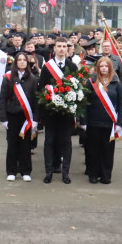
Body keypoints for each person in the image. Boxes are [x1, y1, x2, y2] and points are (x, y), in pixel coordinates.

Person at [80, 56, 122, 184]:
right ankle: (93, 174)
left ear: (110, 68)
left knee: (108, 151)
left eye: (106, 66)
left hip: (109, 124)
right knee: (93, 150)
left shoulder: (116, 83)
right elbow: (84, 103)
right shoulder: (91, 82)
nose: (104, 68)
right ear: (97, 68)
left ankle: (106, 175)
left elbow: (121, 103)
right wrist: (83, 121)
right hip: (93, 122)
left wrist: (120, 123)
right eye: (101, 66)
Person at [39, 40, 78, 184]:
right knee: (49, 141)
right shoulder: (47, 67)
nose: (62, 49)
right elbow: (42, 89)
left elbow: (76, 88)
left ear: (67, 49)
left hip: (66, 113)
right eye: (59, 47)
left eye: (64, 47)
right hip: (50, 112)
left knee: (66, 142)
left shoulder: (72, 66)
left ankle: (65, 173)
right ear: (54, 49)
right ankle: (49, 171)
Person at [0, 52, 39, 181]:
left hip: (26, 117)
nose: (22, 62)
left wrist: (36, 120)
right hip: (12, 116)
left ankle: (25, 171)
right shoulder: (8, 78)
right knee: (12, 144)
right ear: (16, 62)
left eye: (24, 60)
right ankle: (11, 171)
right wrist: (3, 118)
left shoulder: (33, 79)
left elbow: (35, 101)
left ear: (27, 63)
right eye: (19, 60)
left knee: (25, 145)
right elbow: (3, 99)